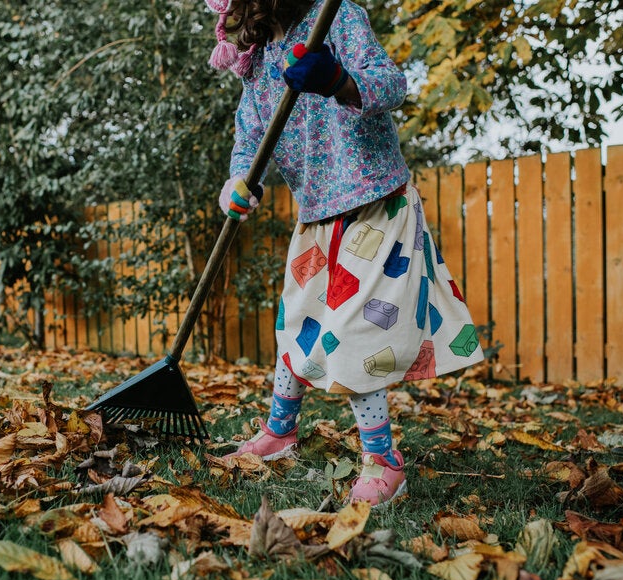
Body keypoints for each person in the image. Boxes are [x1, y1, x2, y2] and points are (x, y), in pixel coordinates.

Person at [206, 0, 485, 507]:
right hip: (317, 215)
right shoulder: (261, 60)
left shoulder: (336, 17)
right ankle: (279, 433)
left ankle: (384, 462)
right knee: (297, 322)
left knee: (356, 334)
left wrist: (338, 79)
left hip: (376, 204)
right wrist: (237, 182)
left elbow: (390, 85)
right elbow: (249, 138)